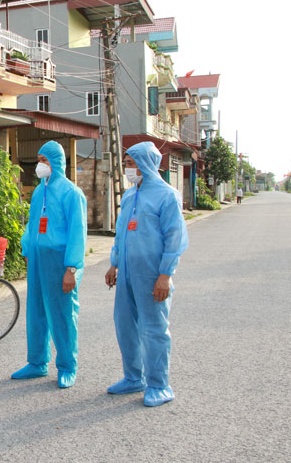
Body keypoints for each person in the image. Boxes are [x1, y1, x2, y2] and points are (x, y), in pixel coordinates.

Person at [104, 141, 188, 407]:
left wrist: (165, 275)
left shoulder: (167, 196)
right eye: (126, 164)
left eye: (131, 164)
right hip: (127, 273)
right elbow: (121, 233)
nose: (127, 169)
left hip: (152, 274)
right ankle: (133, 377)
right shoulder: (130, 196)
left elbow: (175, 238)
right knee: (125, 325)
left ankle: (159, 385)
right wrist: (114, 263)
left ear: (146, 164)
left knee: (153, 329)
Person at [11, 141, 87, 388]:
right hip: (37, 259)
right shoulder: (39, 192)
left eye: (44, 160)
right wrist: (27, 247)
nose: (40, 165)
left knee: (63, 314)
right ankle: (37, 362)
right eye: (39, 160)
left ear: (56, 162)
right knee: (36, 312)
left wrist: (71, 268)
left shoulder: (71, 193)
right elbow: (32, 224)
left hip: (59, 260)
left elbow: (77, 233)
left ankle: (67, 366)